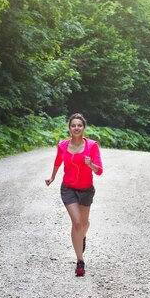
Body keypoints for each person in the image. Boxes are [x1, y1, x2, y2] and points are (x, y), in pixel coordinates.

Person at [45, 113, 103, 277]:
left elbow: (99, 171)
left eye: (79, 125)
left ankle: (81, 237)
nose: (76, 128)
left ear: (84, 127)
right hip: (68, 188)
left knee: (84, 224)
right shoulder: (63, 145)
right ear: (69, 128)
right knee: (77, 223)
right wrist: (52, 177)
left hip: (86, 190)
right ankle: (80, 261)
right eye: (73, 125)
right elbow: (58, 161)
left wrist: (90, 164)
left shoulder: (92, 146)